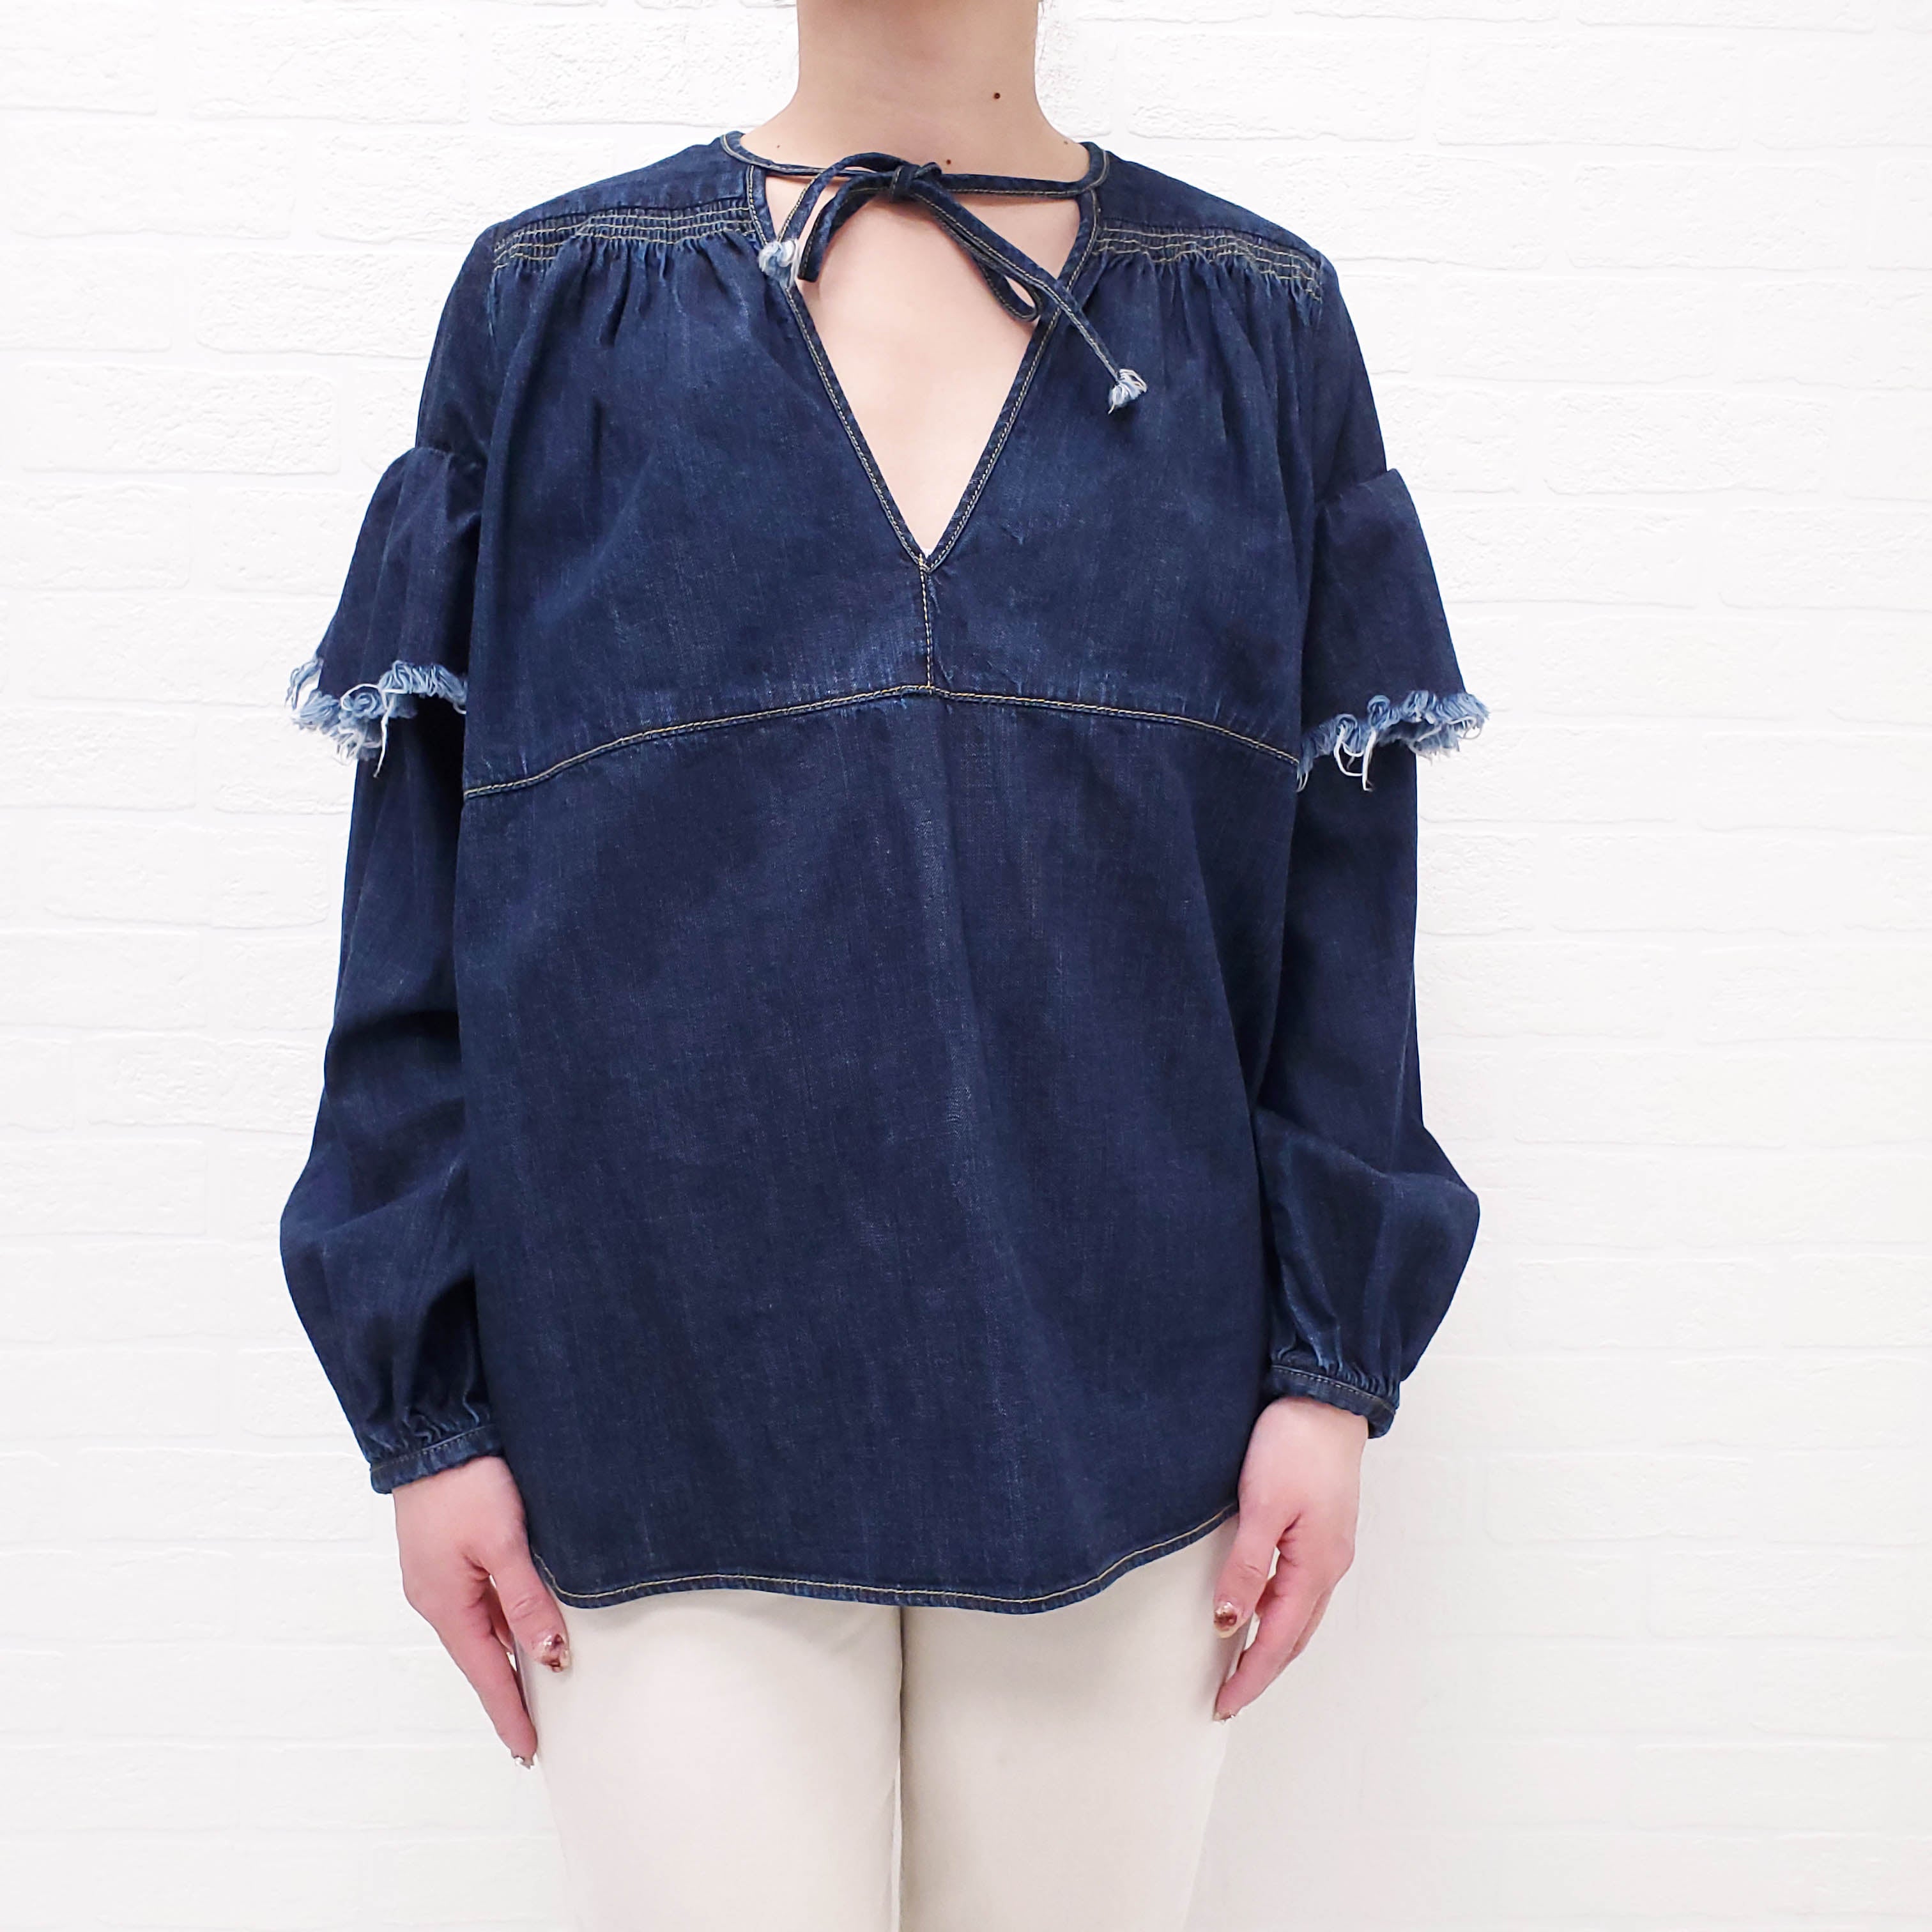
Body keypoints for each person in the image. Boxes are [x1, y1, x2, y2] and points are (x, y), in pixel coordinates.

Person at [279, 1, 1483, 1925]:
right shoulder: (555, 311)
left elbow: (1344, 919)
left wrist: (1331, 1378)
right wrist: (423, 1419)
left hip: (1133, 1411)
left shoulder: (1258, 331)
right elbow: (413, 915)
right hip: (649, 1413)